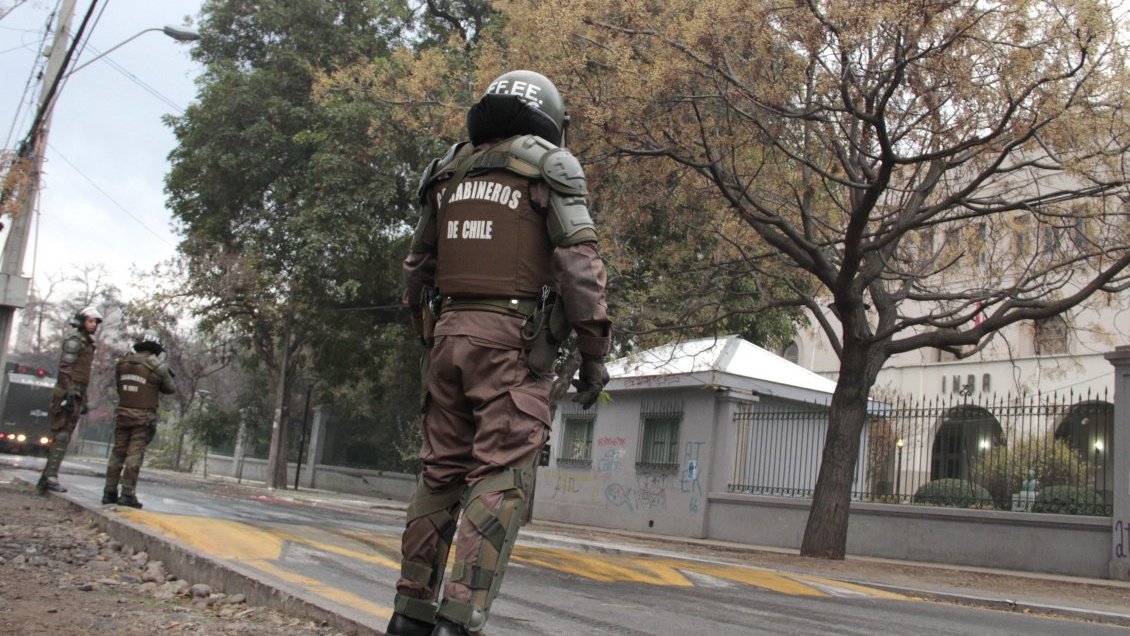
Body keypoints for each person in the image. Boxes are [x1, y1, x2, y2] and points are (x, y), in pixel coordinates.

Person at [386, 70, 612, 636]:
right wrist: (593, 352)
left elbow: (416, 270)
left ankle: (409, 615)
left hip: (447, 339)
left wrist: (432, 335)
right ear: (551, 119)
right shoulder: (549, 166)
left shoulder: (449, 169)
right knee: (499, 478)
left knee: (438, 474)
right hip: (510, 345)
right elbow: (580, 266)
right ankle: (457, 621)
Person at [102, 329, 176, 508]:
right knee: (134, 456)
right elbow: (170, 388)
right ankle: (127, 494)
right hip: (142, 418)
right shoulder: (155, 366)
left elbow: (120, 386)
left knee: (117, 453)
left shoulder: (124, 362)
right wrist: (163, 370)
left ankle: (109, 492)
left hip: (123, 414)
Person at [36, 306, 101, 494]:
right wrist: (69, 393)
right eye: (91, 321)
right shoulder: (75, 341)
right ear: (82, 322)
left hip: (78, 392)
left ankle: (47, 476)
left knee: (64, 436)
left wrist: (84, 398)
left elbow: (82, 376)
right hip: (67, 393)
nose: (94, 324)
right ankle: (50, 477)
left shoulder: (87, 344)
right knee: (62, 435)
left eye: (96, 322)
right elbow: (65, 370)